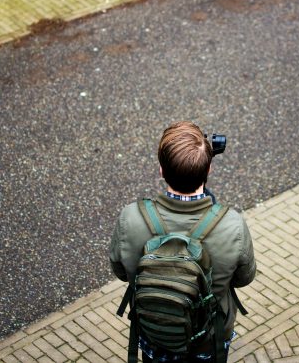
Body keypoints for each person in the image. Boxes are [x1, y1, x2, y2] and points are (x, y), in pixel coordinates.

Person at [109, 120, 257, 362]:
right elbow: (244, 278)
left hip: (154, 332)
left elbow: (122, 273)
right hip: (208, 338)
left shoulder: (130, 217)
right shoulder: (232, 225)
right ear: (209, 170)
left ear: (161, 169)